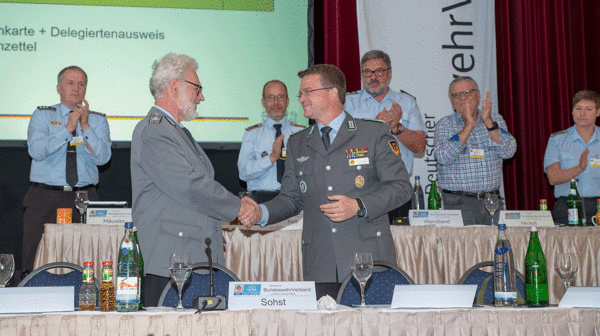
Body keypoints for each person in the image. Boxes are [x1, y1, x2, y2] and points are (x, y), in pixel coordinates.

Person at [242, 64, 412, 299]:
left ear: (333, 92)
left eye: (307, 92)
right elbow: (291, 198)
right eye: (300, 93)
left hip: (367, 259)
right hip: (320, 262)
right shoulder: (297, 143)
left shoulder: (373, 133)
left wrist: (358, 205)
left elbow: (401, 187)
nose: (300, 98)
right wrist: (261, 212)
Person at [130, 53, 259, 306]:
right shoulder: (155, 131)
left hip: (189, 259)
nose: (201, 97)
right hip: (170, 263)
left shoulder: (175, 131)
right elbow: (190, 187)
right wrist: (238, 207)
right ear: (174, 86)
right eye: (197, 89)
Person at [23, 66, 111, 274]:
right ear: (59, 88)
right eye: (70, 83)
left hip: (84, 197)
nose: (76, 88)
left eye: (81, 84)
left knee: (86, 257)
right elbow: (35, 150)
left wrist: (85, 126)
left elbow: (103, 158)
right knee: (34, 258)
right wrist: (67, 130)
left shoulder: (97, 121)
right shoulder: (43, 115)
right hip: (44, 196)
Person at [344, 50, 426, 221]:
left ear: (389, 73)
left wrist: (397, 128)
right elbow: (342, 146)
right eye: (368, 72)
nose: (373, 77)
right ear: (362, 74)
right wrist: (376, 127)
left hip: (398, 188)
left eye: (379, 71)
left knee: (400, 246)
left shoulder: (406, 102)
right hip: (360, 188)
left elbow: (420, 147)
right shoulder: (348, 103)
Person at [433, 76, 516, 225]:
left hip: (492, 202)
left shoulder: (495, 120)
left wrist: (488, 122)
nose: (462, 98)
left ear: (478, 95)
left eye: (467, 92)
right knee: (463, 248)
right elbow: (443, 157)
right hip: (458, 203)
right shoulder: (444, 124)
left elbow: (508, 151)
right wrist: (469, 124)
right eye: (456, 95)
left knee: (497, 247)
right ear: (451, 101)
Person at [237, 80, 305, 203]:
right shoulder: (252, 134)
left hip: (295, 200)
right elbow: (243, 173)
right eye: (271, 97)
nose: (276, 102)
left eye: (280, 97)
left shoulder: (301, 133)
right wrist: (271, 157)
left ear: (287, 101)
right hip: (261, 201)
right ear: (263, 102)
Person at [544, 90, 600, 226]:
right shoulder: (557, 140)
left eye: (588, 109)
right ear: (572, 112)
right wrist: (579, 168)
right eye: (578, 109)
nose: (582, 113)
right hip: (568, 206)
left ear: (598, 112)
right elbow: (553, 178)